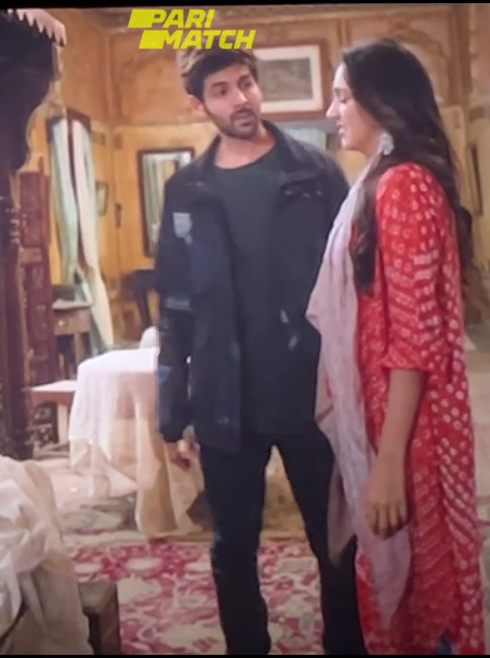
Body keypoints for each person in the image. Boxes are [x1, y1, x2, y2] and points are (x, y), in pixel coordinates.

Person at [153, 46, 368, 655]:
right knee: (232, 549)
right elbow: (174, 308)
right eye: (221, 90)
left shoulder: (315, 174)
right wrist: (172, 413)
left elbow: (356, 283)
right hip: (225, 401)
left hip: (313, 392)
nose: (239, 98)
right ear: (198, 105)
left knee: (337, 543)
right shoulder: (187, 192)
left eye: (245, 83)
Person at [305, 38, 485, 655]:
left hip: (412, 430)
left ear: (381, 102)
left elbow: (414, 340)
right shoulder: (381, 182)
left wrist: (388, 463)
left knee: (422, 592)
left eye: (342, 97)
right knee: (399, 585)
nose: (332, 112)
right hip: (390, 418)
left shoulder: (404, 186)